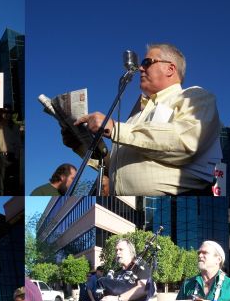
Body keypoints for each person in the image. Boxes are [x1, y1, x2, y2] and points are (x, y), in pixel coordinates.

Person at [72, 43, 222, 196]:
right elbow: (116, 168)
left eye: (146, 63)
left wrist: (115, 129)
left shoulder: (195, 97)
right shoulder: (135, 116)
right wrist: (81, 145)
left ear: (170, 69)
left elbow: (186, 142)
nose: (140, 69)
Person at [0, 106, 21, 195]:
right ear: (0, 113)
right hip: (0, 156)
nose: (6, 114)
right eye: (4, 112)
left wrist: (16, 157)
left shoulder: (15, 127)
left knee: (11, 181)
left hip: (12, 156)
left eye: (9, 113)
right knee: (0, 181)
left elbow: (18, 143)